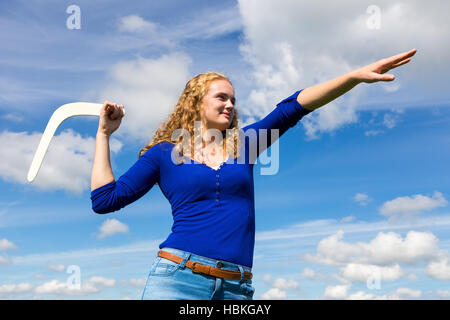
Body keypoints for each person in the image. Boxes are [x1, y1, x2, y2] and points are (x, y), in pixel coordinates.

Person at [90, 48, 417, 300]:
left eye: (233, 99)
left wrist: (353, 77)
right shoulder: (165, 153)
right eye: (221, 97)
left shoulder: (245, 144)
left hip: (237, 287)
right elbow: (105, 199)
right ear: (195, 102)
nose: (230, 104)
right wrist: (104, 135)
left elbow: (291, 109)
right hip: (177, 278)